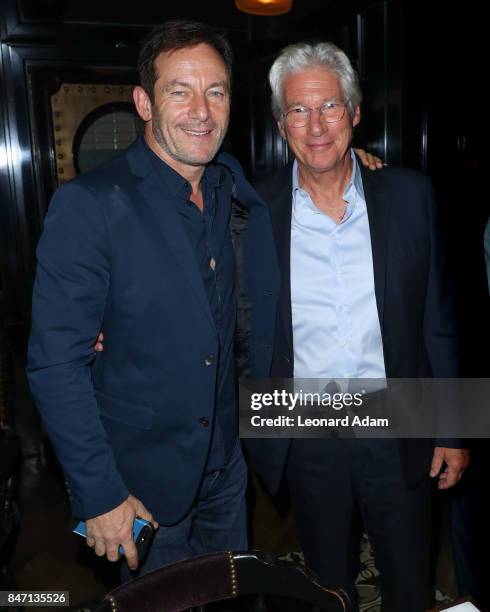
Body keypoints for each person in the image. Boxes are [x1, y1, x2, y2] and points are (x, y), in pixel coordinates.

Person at [27, 19, 280, 577]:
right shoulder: (89, 205)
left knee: (223, 596)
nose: (202, 110)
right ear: (143, 102)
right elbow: (54, 364)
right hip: (138, 486)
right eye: (179, 91)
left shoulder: (228, 183)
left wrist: (353, 167)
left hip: (226, 473)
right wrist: (99, 495)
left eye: (215, 92)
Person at [244, 42, 470, 611]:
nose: (316, 125)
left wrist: (454, 429)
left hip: (400, 415)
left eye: (330, 107)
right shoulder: (250, 210)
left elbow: (440, 319)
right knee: (324, 587)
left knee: (408, 579)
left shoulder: (411, 195)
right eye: (299, 110)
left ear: (355, 112)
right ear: (280, 123)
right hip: (304, 422)